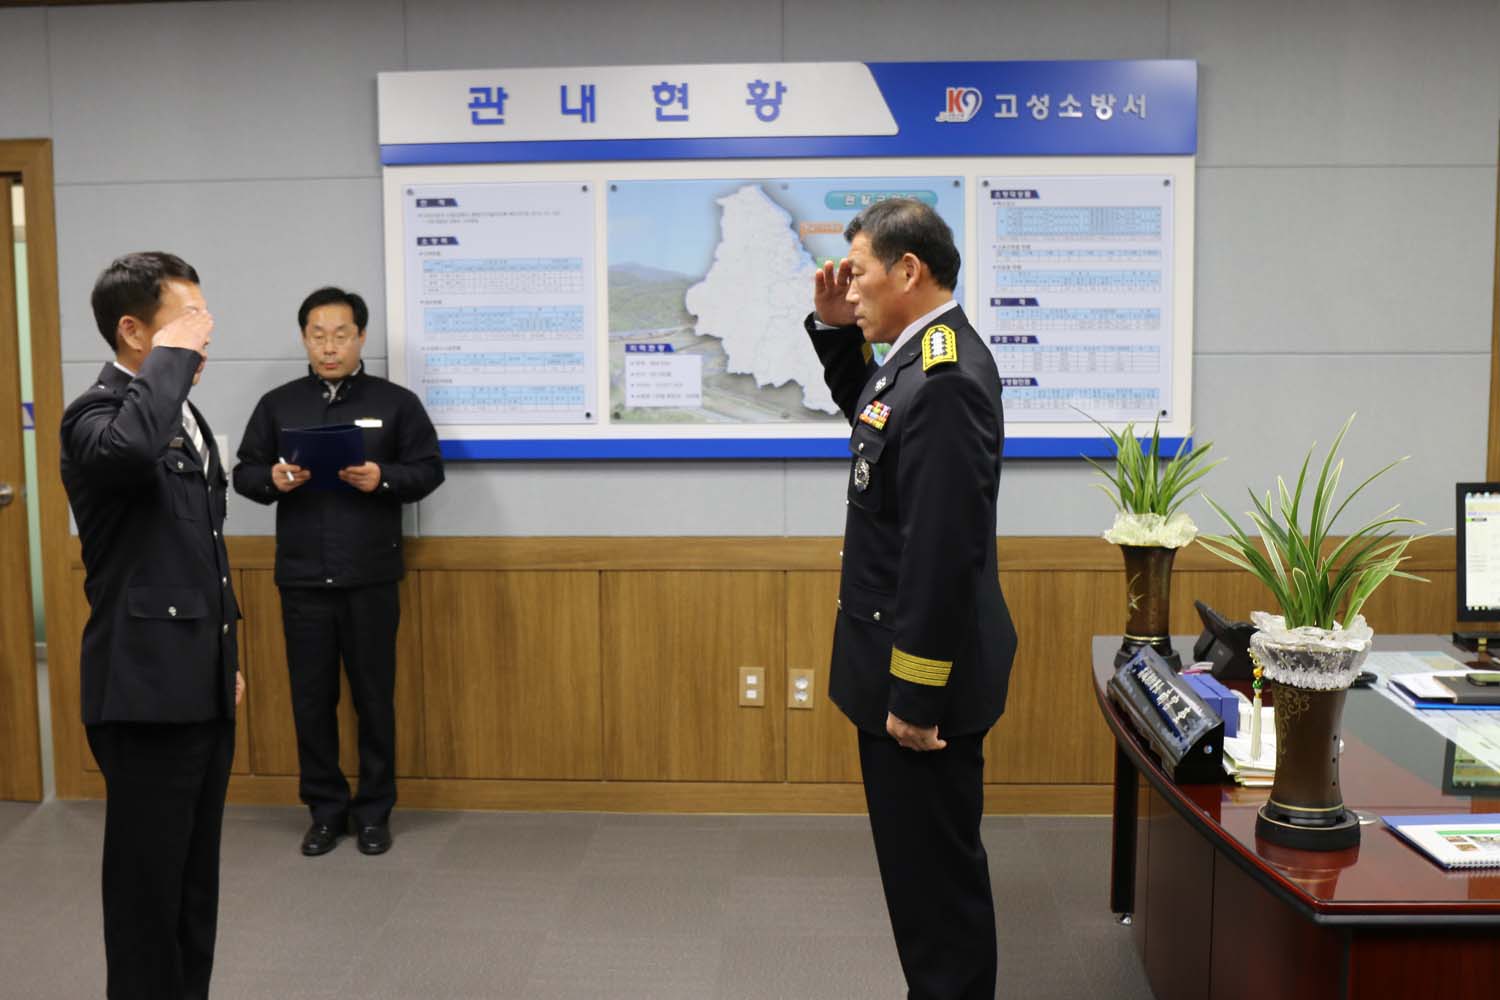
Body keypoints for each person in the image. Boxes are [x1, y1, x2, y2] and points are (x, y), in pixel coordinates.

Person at [804, 198, 1019, 1000]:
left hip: (923, 684)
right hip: (902, 666)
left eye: (858, 272)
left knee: (936, 890)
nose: (848, 286)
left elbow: (940, 553)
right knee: (919, 881)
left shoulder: (947, 380)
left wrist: (916, 696)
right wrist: (835, 332)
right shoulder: (917, 361)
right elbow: (874, 420)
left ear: (908, 270)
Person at [61, 251, 243, 1000]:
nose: (206, 331)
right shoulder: (94, 416)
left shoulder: (183, 414)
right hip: (141, 691)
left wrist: (225, 657)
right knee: (146, 893)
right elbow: (128, 450)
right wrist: (173, 358)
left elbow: (200, 556)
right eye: (187, 318)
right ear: (134, 331)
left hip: (199, 682)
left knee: (194, 883)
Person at [233, 287, 443, 857]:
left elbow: (429, 470)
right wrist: (271, 480)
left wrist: (384, 478)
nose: (329, 347)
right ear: (305, 338)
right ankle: (325, 811)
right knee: (311, 700)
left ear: (361, 337)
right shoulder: (278, 405)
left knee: (375, 700)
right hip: (303, 578)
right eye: (318, 336)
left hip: (369, 575)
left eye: (341, 335)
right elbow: (244, 473)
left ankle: (374, 813)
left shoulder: (396, 403)